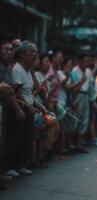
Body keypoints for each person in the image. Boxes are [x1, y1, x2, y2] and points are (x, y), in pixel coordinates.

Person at [4, 41, 45, 177]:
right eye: (31, 52)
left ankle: (20, 164)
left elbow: (30, 93)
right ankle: (11, 165)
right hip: (20, 109)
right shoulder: (17, 69)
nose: (34, 55)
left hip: (28, 108)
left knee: (26, 138)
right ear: (22, 55)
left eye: (36, 52)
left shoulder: (27, 70)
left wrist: (40, 107)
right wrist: (24, 109)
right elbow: (17, 92)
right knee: (15, 138)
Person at [0, 40, 25, 189]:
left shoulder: (8, 68)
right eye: (6, 50)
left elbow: (9, 92)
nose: (10, 52)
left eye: (12, 50)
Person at [71, 53, 91, 153]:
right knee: (76, 120)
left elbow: (90, 85)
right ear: (80, 61)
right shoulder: (74, 71)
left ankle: (79, 144)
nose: (87, 62)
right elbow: (74, 89)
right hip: (78, 95)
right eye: (86, 60)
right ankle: (73, 144)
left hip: (86, 96)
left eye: (88, 60)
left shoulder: (88, 71)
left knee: (84, 120)